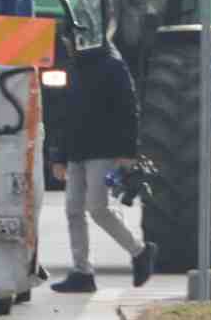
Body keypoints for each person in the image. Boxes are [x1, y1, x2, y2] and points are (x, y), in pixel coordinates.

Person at [49, 44, 158, 293]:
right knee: (73, 211)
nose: (70, 43)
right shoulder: (73, 66)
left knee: (97, 209)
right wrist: (59, 156)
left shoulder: (113, 65)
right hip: (76, 151)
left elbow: (129, 110)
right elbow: (63, 114)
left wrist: (128, 152)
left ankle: (140, 251)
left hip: (104, 149)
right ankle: (82, 272)